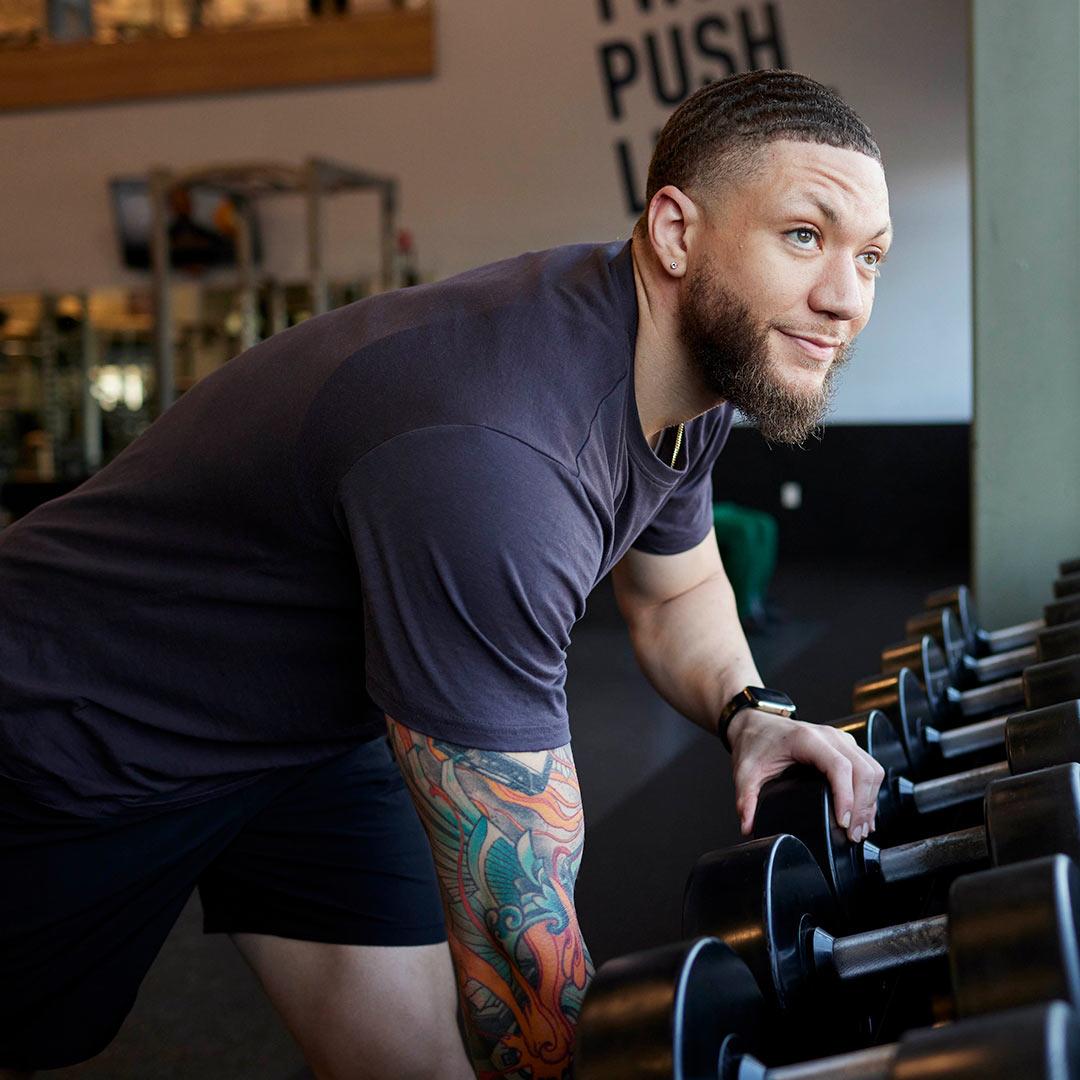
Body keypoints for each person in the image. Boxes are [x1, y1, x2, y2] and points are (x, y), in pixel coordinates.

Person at [0, 69, 890, 1079]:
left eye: (870, 256)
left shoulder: (689, 375)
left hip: (316, 731)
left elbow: (677, 591)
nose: (846, 299)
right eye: (805, 237)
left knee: (415, 1061)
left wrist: (752, 710)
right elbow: (522, 942)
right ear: (678, 233)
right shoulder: (499, 453)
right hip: (70, 730)